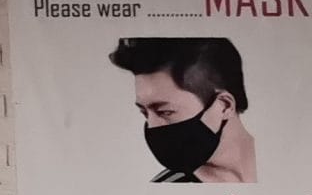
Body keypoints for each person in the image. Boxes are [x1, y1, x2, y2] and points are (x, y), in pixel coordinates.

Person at [107, 36, 257, 184]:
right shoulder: (162, 193)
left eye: (165, 112)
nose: (152, 127)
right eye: (144, 113)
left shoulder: (277, 162)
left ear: (224, 106)